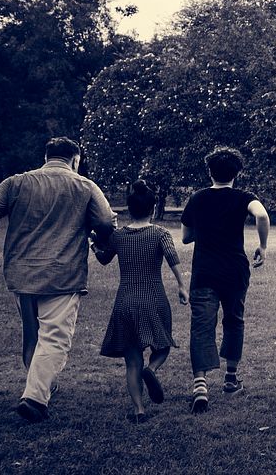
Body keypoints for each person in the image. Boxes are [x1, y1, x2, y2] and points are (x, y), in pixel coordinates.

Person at [0, 137, 116, 423]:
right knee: (54, 337)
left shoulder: (16, 182)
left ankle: (40, 384)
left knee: (33, 334)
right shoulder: (84, 185)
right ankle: (35, 398)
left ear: (46, 156)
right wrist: (98, 238)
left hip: (21, 272)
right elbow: (105, 221)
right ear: (75, 159)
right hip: (62, 274)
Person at [181, 147, 270, 413]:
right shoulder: (244, 197)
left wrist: (207, 231)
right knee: (234, 320)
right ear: (237, 173)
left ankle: (200, 385)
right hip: (234, 270)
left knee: (202, 326)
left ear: (210, 172)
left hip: (205, 271)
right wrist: (263, 246)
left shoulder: (197, 198)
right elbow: (262, 215)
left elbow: (186, 237)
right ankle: (231, 379)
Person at [94, 180, 189, 423]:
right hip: (154, 298)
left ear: (129, 207)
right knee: (163, 344)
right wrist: (181, 285)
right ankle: (153, 369)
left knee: (132, 359)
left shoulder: (118, 236)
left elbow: (104, 259)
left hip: (125, 301)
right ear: (152, 208)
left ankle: (138, 410)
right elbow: (172, 258)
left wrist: (93, 244)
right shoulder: (160, 233)